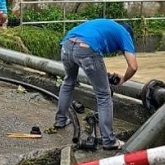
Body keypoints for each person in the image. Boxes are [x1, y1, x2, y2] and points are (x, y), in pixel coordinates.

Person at [54, 19, 138, 151]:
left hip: (67, 45)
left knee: (68, 82)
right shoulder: (124, 33)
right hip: (86, 48)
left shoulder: (106, 25)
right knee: (104, 95)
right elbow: (133, 66)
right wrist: (123, 79)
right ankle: (109, 141)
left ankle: (60, 120)